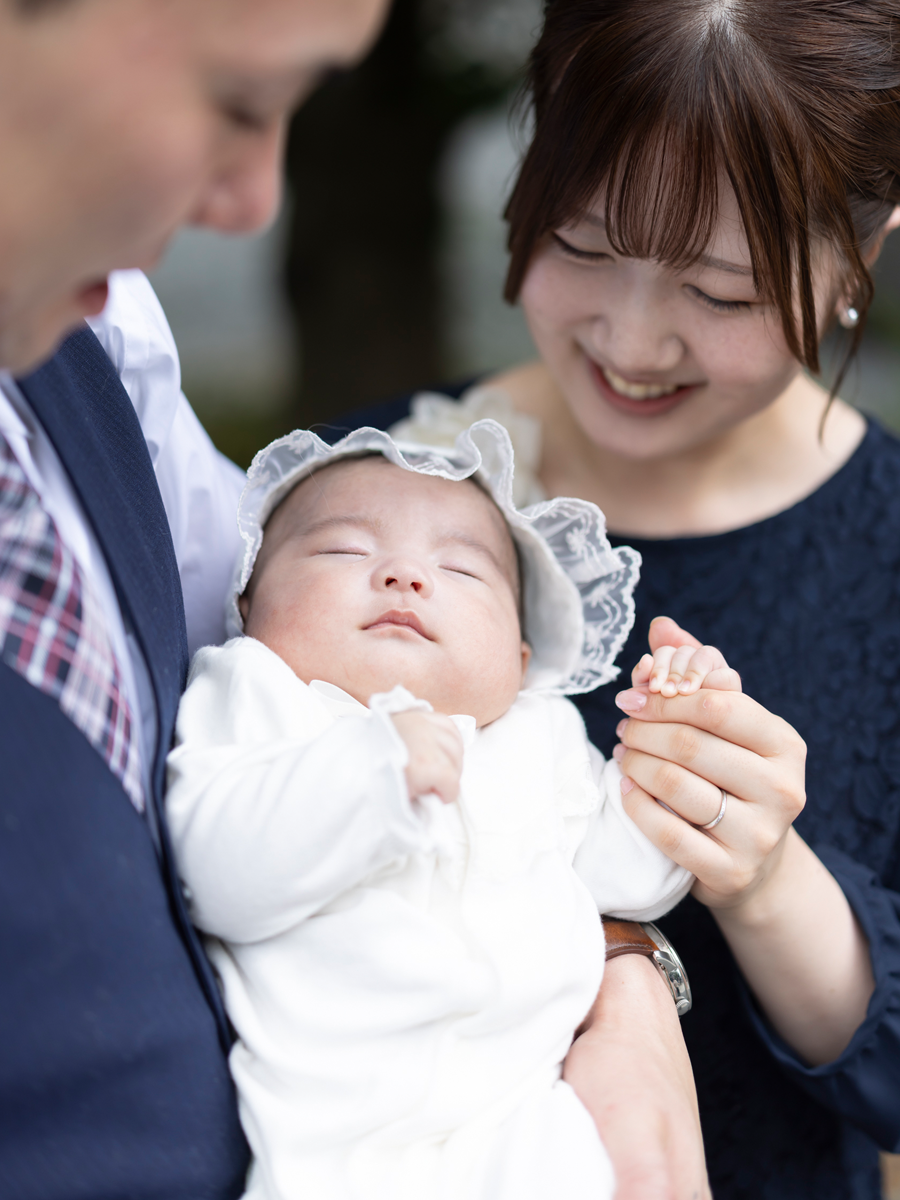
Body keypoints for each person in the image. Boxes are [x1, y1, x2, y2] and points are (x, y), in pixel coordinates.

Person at [330, 1, 900, 1196]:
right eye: (582, 246)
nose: (635, 344)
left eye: (725, 294)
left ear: (864, 252)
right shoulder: (348, 503)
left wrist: (764, 878)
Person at [165, 419, 734, 1200]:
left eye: (461, 569)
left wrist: (669, 750)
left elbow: (629, 879)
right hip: (343, 1138)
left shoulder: (537, 734)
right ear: (249, 602)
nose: (404, 575)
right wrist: (370, 774)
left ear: (521, 658)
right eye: (343, 550)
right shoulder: (258, 693)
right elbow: (214, 870)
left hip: (526, 1113)